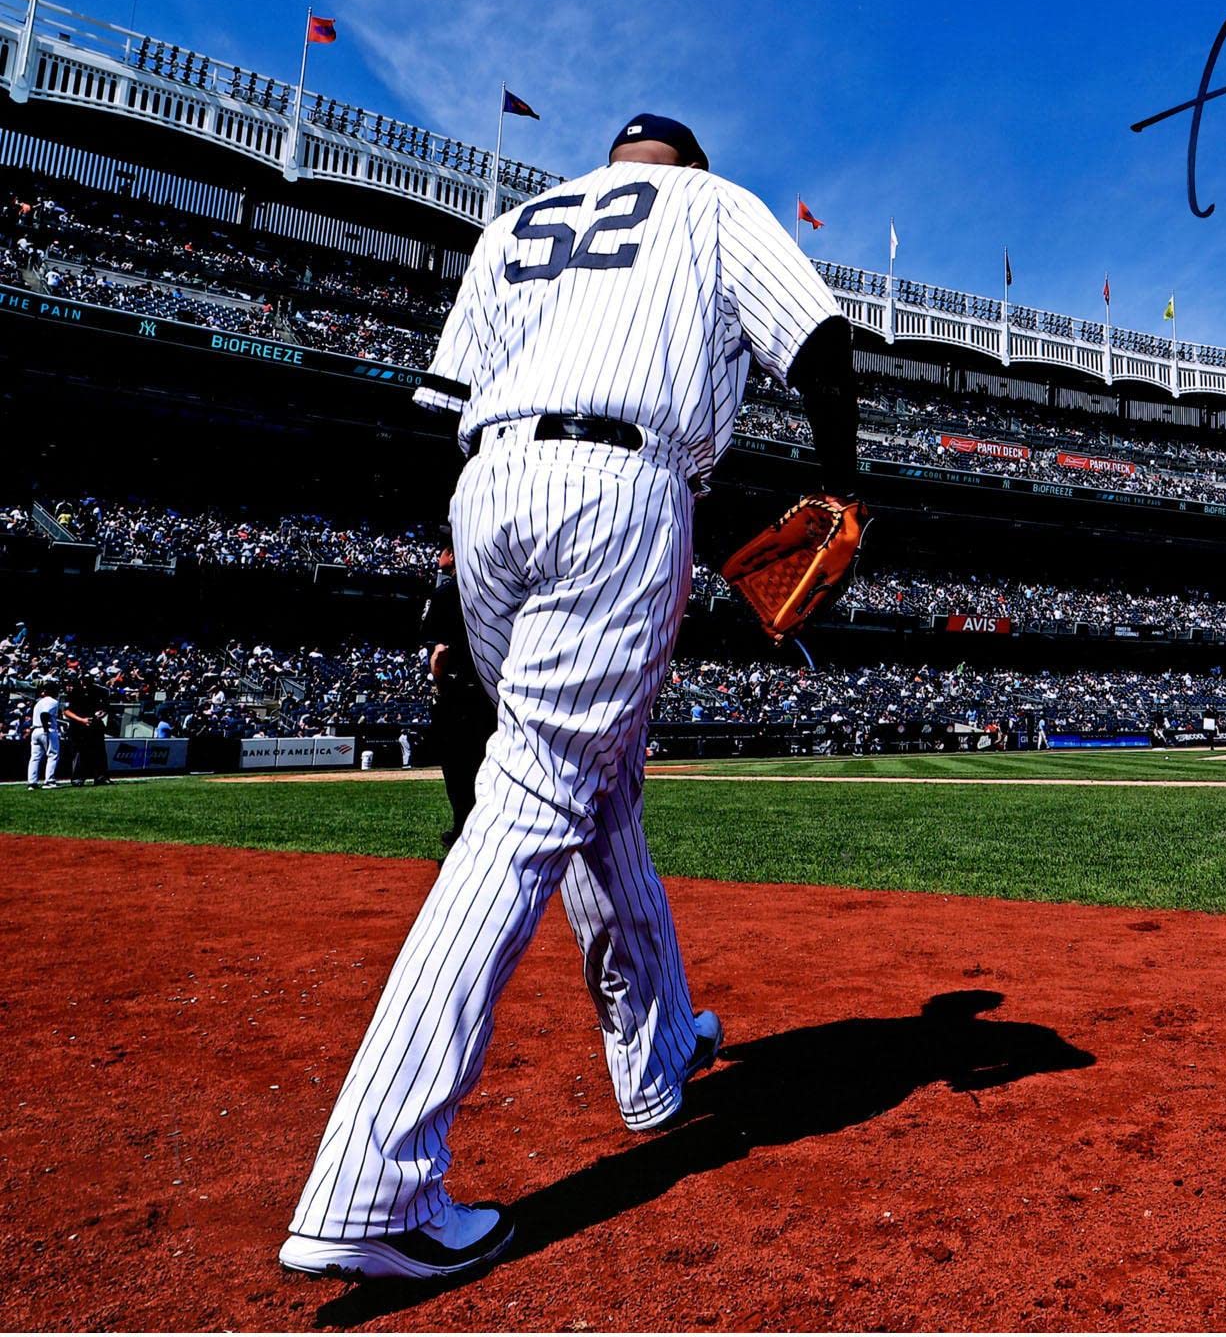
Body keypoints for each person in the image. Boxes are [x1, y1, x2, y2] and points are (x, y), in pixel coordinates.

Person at [281, 112, 857, 1282]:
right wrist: (842, 485)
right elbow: (821, 343)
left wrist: (448, 588)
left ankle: (653, 1057)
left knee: (599, 789)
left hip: (488, 495)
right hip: (619, 486)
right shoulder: (708, 204)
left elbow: (434, 416)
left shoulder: (517, 222)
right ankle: (372, 1178)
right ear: (684, 166)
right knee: (532, 801)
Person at [421, 547, 498, 853]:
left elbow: (440, 652)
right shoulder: (493, 589)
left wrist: (440, 684)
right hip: (492, 695)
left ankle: (463, 834)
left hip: (457, 695)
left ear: (452, 554)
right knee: (489, 769)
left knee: (458, 772)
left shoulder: (446, 594)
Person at [27, 683, 62, 788]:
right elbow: (44, 714)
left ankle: (32, 782)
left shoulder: (39, 702)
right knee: (52, 755)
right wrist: (46, 728)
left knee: (35, 757)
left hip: (35, 730)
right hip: (46, 730)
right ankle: (49, 781)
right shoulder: (53, 701)